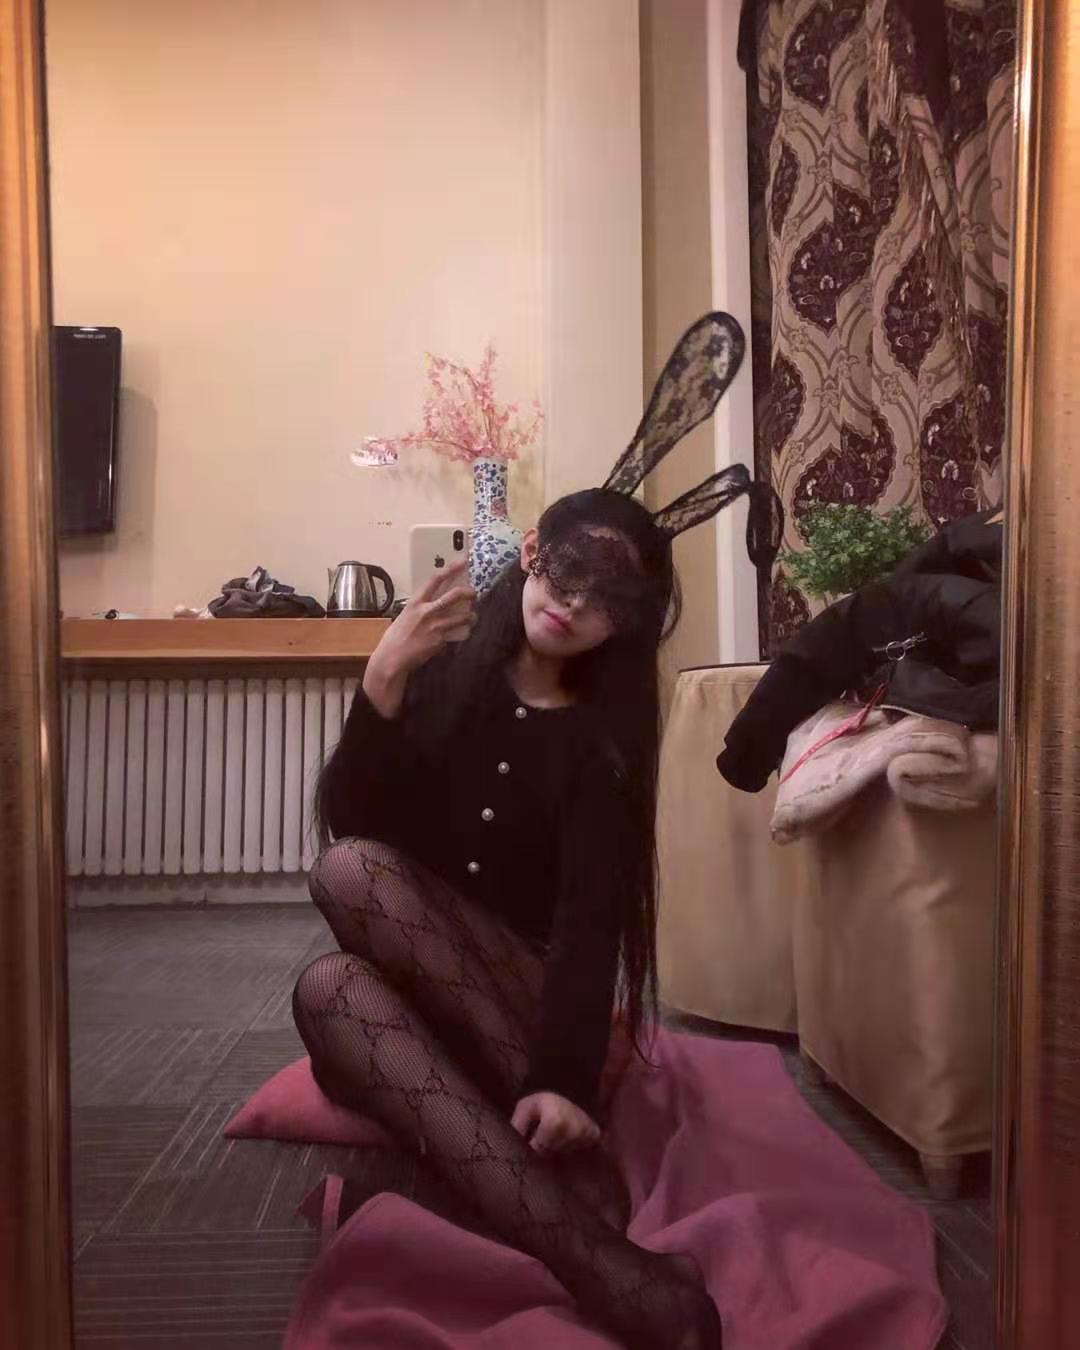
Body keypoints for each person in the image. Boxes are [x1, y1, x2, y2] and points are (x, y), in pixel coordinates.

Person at [292, 312, 773, 1349]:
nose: (570, 602)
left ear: (626, 625)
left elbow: (590, 925)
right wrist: (380, 687)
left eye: (604, 598)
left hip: (519, 1010)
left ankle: (575, 1242)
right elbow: (362, 833)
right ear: (530, 556)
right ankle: (590, 1238)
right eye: (562, 571)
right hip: (417, 1008)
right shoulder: (449, 671)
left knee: (349, 906)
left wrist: (559, 1075)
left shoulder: (601, 746)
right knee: (336, 959)